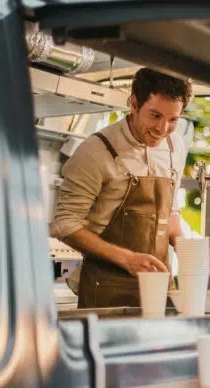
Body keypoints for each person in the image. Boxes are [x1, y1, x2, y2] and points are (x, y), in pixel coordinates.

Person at [49, 67, 193, 308]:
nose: (162, 129)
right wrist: (127, 259)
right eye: (155, 116)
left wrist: (187, 252)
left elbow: (169, 211)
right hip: (105, 291)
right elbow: (65, 224)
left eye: (173, 120)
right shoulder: (96, 150)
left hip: (159, 289)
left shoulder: (174, 147)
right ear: (134, 104)